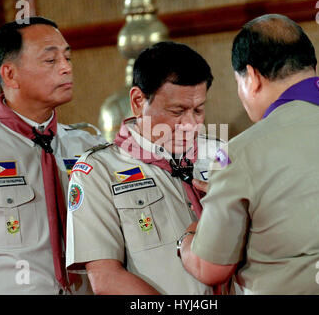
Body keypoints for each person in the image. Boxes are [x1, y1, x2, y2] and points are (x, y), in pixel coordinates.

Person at [178, 14, 319, 295]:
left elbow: (211, 268)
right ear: (312, 66)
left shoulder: (239, 152)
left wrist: (187, 238)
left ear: (252, 77)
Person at [0, 17, 105, 294]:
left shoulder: (91, 149)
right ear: (10, 74)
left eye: (67, 58)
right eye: (50, 61)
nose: (66, 68)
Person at [66, 41, 225, 294]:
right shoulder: (98, 171)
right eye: (178, 111)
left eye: (198, 110)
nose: (190, 124)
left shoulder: (221, 154)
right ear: (138, 101)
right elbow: (106, 278)